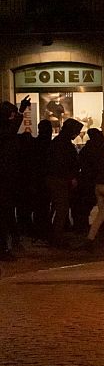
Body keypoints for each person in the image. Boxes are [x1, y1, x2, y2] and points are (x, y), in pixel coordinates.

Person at [46, 117, 82, 248]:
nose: (77, 134)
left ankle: (54, 234)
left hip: (55, 178)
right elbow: (64, 163)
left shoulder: (58, 142)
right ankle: (57, 237)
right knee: (62, 208)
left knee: (58, 208)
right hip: (60, 179)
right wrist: (71, 176)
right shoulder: (64, 144)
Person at [0, 99, 29, 260]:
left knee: (7, 213)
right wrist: (20, 112)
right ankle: (4, 248)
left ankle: (7, 245)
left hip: (8, 177)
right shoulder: (5, 131)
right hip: (5, 177)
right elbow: (11, 130)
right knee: (5, 213)